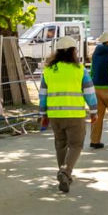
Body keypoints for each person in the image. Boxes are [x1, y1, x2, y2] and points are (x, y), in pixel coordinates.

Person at [39, 43, 93, 193]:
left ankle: (65, 175)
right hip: (74, 115)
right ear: (73, 52)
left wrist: (43, 114)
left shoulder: (48, 70)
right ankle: (65, 172)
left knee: (60, 144)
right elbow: (89, 91)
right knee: (76, 145)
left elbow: (42, 94)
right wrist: (94, 111)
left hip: (55, 115)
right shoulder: (79, 69)